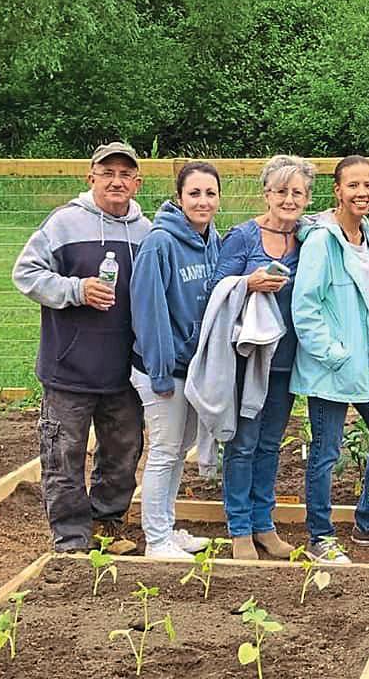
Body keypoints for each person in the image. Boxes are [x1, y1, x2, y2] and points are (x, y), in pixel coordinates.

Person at [12, 141, 151, 552]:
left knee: (123, 451)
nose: (116, 181)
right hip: (69, 367)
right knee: (63, 455)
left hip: (125, 370)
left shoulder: (146, 232)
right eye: (107, 173)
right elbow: (25, 273)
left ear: (137, 183)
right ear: (90, 178)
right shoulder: (63, 224)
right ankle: (71, 539)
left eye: (125, 174)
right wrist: (75, 289)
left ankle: (106, 523)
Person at [292, 155, 369, 563]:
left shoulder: (366, 235)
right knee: (326, 450)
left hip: (366, 366)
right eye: (354, 185)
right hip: (332, 368)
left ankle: (368, 522)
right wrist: (333, 353)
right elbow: (305, 307)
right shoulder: (321, 242)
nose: (363, 193)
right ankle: (320, 537)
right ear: (338, 190)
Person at [210, 154, 312, 560]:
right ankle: (239, 530)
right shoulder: (244, 237)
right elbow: (217, 289)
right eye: (281, 191)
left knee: (271, 443)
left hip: (287, 358)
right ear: (267, 193)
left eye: (297, 192)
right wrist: (248, 283)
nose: (289, 199)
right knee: (244, 442)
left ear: (307, 197)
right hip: (249, 359)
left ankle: (264, 525)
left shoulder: (308, 238)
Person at [130, 161, 222, 559]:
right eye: (194, 194)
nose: (203, 201)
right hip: (161, 369)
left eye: (210, 194)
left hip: (193, 369)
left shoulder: (213, 240)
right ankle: (156, 540)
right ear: (179, 197)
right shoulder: (160, 242)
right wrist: (161, 372)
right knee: (165, 451)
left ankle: (167, 527)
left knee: (179, 448)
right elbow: (148, 310)